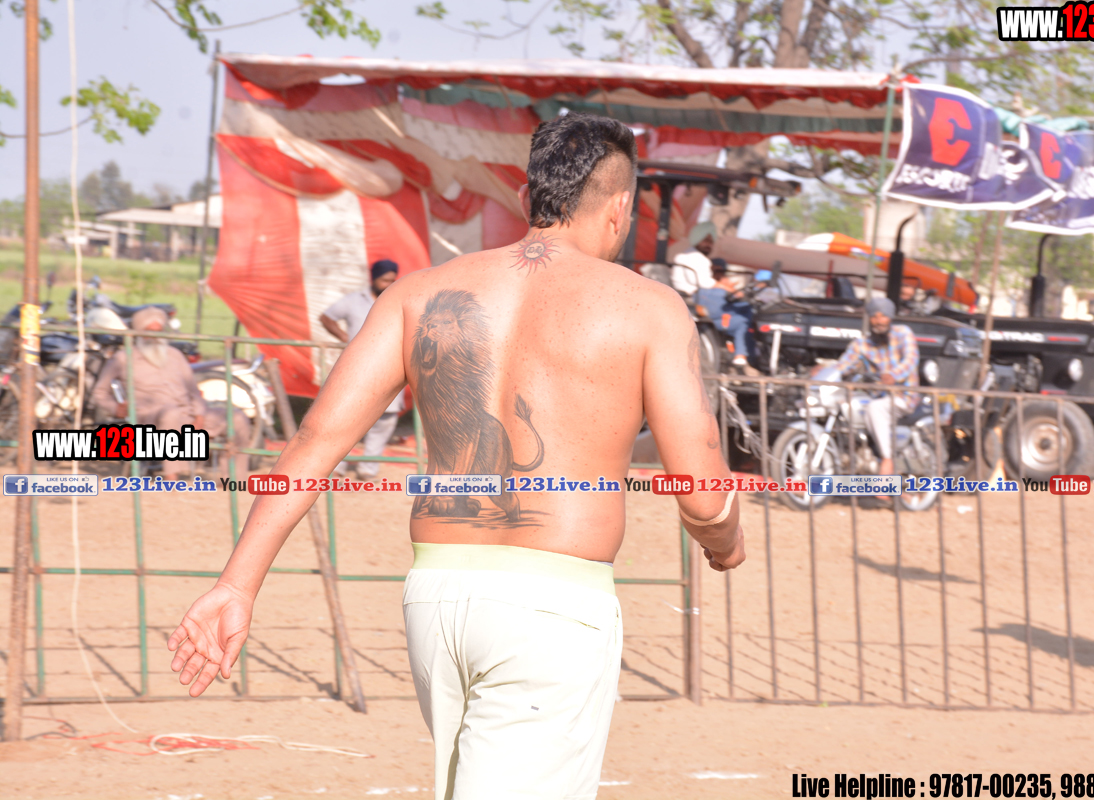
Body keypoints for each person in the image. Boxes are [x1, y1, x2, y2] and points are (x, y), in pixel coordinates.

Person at [167, 112, 745, 800]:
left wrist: (236, 585)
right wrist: (726, 542)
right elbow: (703, 493)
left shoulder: (416, 293)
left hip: (437, 596)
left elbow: (314, 440)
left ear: (528, 198)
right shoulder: (649, 307)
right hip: (554, 605)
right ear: (621, 207)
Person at [93, 307, 250, 480]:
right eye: (149, 332)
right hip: (149, 417)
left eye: (159, 331)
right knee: (171, 413)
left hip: (187, 415)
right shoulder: (123, 358)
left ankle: (234, 479)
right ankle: (172, 477)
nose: (155, 337)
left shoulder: (175, 355)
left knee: (237, 417)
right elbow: (100, 392)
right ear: (139, 333)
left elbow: (193, 391)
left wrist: (199, 415)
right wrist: (116, 408)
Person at [319, 259, 409, 481]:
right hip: (356, 368)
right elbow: (326, 317)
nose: (388, 284)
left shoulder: (400, 300)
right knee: (347, 418)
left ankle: (368, 469)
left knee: (385, 419)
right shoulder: (354, 300)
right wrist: (344, 338)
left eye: (392, 280)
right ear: (374, 279)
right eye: (384, 280)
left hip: (390, 367)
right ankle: (337, 466)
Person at [832, 297, 919, 476]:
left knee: (875, 408)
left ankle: (887, 460)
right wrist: (825, 370)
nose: (879, 321)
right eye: (874, 317)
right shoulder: (862, 344)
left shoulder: (903, 333)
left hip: (903, 396)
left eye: (883, 316)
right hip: (877, 396)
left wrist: (893, 375)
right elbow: (844, 365)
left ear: (890, 317)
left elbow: (911, 359)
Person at [694, 259, 759, 371]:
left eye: (721, 270)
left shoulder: (717, 284)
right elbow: (718, 305)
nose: (720, 273)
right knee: (743, 321)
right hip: (716, 319)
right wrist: (732, 291)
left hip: (722, 313)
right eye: (717, 270)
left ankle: (747, 355)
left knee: (747, 311)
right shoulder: (707, 285)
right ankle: (741, 354)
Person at [670, 220, 716, 294]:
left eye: (711, 242)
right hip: (690, 296)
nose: (708, 244)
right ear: (697, 238)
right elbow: (704, 283)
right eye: (706, 240)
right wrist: (726, 287)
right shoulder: (694, 256)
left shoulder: (690, 254)